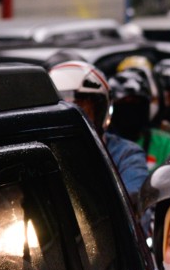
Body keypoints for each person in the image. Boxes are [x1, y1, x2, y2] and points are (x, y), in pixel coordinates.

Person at [49, 60, 149, 197]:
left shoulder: (125, 154)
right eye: (60, 110)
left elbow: (133, 198)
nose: (71, 118)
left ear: (99, 112)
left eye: (81, 108)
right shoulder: (37, 156)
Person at [109, 68, 170, 171]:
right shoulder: (100, 143)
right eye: (124, 102)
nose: (130, 110)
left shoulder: (167, 144)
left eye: (136, 102)